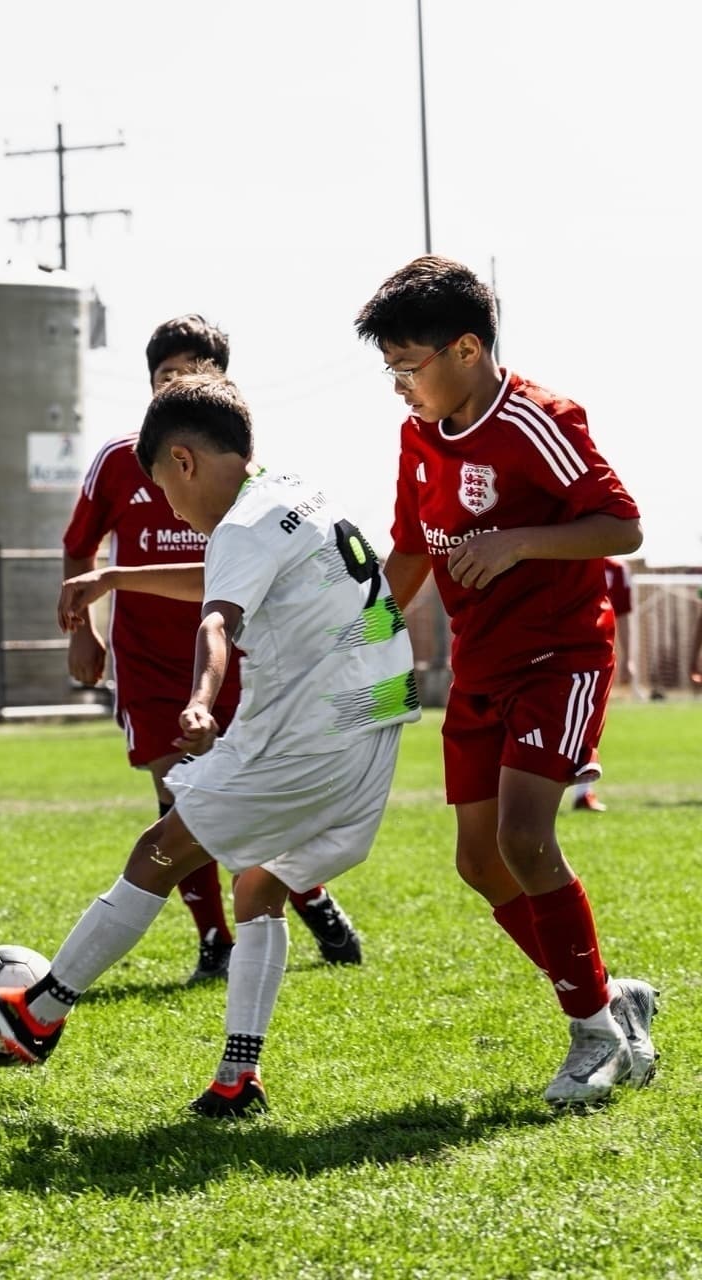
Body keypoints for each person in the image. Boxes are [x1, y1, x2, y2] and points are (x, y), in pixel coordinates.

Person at [0, 372, 420, 1116]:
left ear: (184, 461)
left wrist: (199, 700)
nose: (170, 507)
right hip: (377, 721)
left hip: (308, 734)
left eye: (165, 489)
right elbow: (228, 576)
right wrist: (114, 577)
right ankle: (237, 1079)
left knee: (159, 850)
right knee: (258, 885)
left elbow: (217, 621)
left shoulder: (240, 526)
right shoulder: (291, 494)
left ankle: (37, 1014)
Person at [354, 255, 658, 1106]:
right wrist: (354, 639)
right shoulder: (418, 437)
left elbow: (623, 525)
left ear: (466, 348)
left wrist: (519, 540)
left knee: (526, 841)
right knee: (481, 862)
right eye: (390, 371)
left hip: (560, 657)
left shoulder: (539, 419)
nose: (400, 387)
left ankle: (595, 1038)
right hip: (479, 666)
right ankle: (608, 998)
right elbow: (410, 551)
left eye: (407, 367)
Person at [61, 313, 362, 984]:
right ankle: (214, 940)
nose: (175, 386)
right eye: (164, 376)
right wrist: (85, 629)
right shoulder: (119, 461)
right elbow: (78, 544)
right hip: (149, 663)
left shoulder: (244, 477)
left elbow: (238, 583)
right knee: (180, 796)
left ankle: (308, 895)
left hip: (238, 661)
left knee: (248, 796)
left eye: (191, 374)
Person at [571, 557, 633, 812]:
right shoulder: (558, 553)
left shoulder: (617, 570)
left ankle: (582, 792)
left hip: (596, 656)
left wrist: (627, 658)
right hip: (553, 652)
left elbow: (623, 615)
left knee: (589, 723)